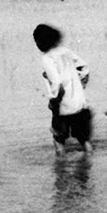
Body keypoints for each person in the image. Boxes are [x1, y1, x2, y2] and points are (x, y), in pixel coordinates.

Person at [33, 24, 92, 155]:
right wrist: (79, 85)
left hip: (63, 106)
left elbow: (57, 83)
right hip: (80, 102)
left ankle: (60, 165)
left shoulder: (47, 58)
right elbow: (84, 68)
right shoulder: (66, 51)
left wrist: (54, 102)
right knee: (83, 139)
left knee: (58, 139)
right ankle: (89, 160)